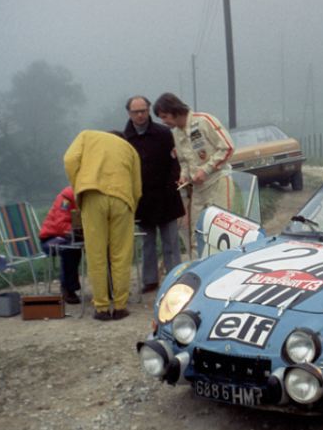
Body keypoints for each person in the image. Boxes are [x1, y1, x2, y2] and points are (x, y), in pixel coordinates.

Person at [64, 130, 142, 322]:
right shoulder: (130, 149)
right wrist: (131, 206)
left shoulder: (86, 136)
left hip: (92, 196)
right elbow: (137, 187)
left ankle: (101, 308)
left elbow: (69, 159)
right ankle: (121, 307)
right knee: (121, 255)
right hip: (122, 199)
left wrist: (79, 186)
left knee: (96, 254)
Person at [153, 92, 235, 259]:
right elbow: (183, 161)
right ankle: (200, 274)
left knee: (221, 232)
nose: (163, 121)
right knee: (197, 234)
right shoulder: (176, 133)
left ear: (175, 111)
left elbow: (228, 147)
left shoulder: (203, 121)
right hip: (197, 189)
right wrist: (184, 176)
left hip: (219, 182)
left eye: (165, 116)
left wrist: (206, 169)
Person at [123, 96, 185, 293]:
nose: (140, 115)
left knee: (171, 242)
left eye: (144, 110)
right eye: (136, 112)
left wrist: (171, 186)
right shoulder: (124, 138)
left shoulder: (164, 132)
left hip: (166, 195)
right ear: (129, 113)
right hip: (142, 199)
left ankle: (175, 278)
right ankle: (150, 281)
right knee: (147, 243)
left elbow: (176, 161)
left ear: (149, 110)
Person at [38, 186, 82, 305]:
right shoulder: (67, 196)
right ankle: (68, 289)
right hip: (51, 238)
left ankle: (110, 287)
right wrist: (84, 230)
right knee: (69, 249)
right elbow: (60, 224)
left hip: (74, 235)